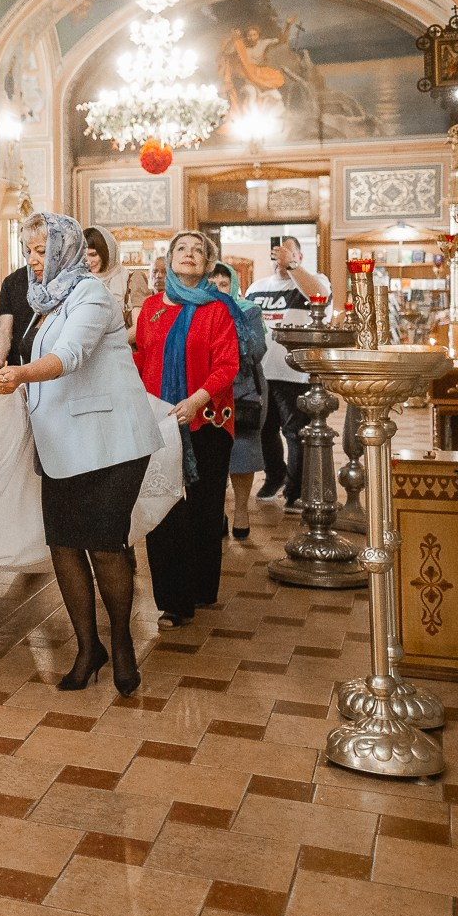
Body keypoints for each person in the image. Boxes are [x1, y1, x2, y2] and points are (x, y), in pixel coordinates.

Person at [0, 213, 167, 695]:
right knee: (64, 544)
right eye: (28, 250)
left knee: (106, 544)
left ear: (66, 250)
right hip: (59, 443)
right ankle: (88, 648)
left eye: (43, 250)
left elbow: (72, 355)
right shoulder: (43, 301)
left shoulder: (90, 293)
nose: (33, 259)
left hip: (109, 444)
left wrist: (22, 376)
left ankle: (123, 643)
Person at [133, 230, 241, 629]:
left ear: (209, 262)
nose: (189, 255)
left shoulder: (219, 309)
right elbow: (143, 357)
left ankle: (200, 587)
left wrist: (197, 399)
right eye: (182, 249)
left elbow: (227, 365)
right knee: (164, 506)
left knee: (203, 507)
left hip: (206, 420)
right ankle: (173, 601)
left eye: (198, 251)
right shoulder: (150, 308)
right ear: (169, 258)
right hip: (160, 420)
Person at [247, 236, 332, 507]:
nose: (281, 258)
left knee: (295, 434)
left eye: (289, 253)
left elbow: (320, 296)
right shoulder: (257, 287)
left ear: (300, 257)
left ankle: (295, 491)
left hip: (295, 372)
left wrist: (293, 267)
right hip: (260, 373)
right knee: (262, 430)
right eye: (278, 253)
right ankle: (275, 475)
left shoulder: (314, 280)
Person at [212, 262, 269, 541]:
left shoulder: (248, 310)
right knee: (213, 455)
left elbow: (258, 349)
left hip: (243, 390)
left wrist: (229, 326)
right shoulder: (198, 310)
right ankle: (217, 513)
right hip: (209, 391)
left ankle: (241, 512)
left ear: (233, 285)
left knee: (243, 453)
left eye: (224, 284)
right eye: (212, 285)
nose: (219, 290)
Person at [0, 259, 35, 369]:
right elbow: (4, 328)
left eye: (41, 251)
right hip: (18, 364)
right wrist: (0, 358)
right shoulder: (12, 282)